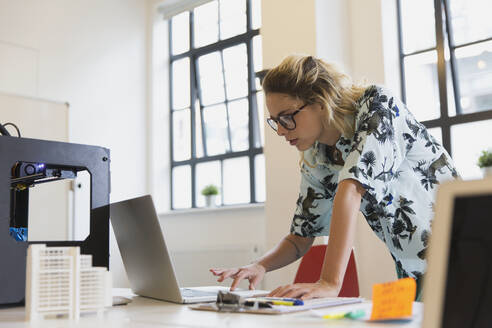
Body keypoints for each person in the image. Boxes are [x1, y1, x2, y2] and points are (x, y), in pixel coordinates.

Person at [210, 55, 458, 301]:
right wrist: (259, 266)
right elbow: (300, 237)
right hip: (417, 273)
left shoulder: (377, 104)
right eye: (276, 122)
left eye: (287, 117)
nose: (282, 130)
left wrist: (329, 282)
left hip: (465, 252)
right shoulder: (318, 157)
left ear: (319, 101)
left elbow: (351, 189)